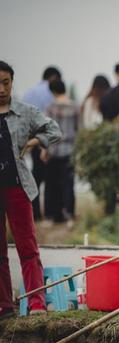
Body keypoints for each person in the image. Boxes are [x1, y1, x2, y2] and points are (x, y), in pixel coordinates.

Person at [0, 60, 61, 319]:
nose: (1, 88)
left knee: (28, 247)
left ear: (12, 82)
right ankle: (5, 306)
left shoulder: (25, 111)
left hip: (18, 187)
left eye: (6, 82)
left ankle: (37, 303)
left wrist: (34, 142)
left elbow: (54, 130)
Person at [22, 66, 62, 221]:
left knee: (36, 177)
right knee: (52, 178)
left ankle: (35, 213)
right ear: (54, 78)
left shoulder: (29, 93)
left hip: (33, 141)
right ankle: (51, 212)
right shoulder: (52, 94)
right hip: (49, 142)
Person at [44, 79, 78, 225]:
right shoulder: (75, 107)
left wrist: (45, 150)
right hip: (70, 149)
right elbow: (79, 129)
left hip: (54, 149)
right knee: (68, 183)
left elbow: (47, 131)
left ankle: (55, 214)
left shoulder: (50, 108)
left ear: (53, 91)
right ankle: (69, 213)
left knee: (52, 183)